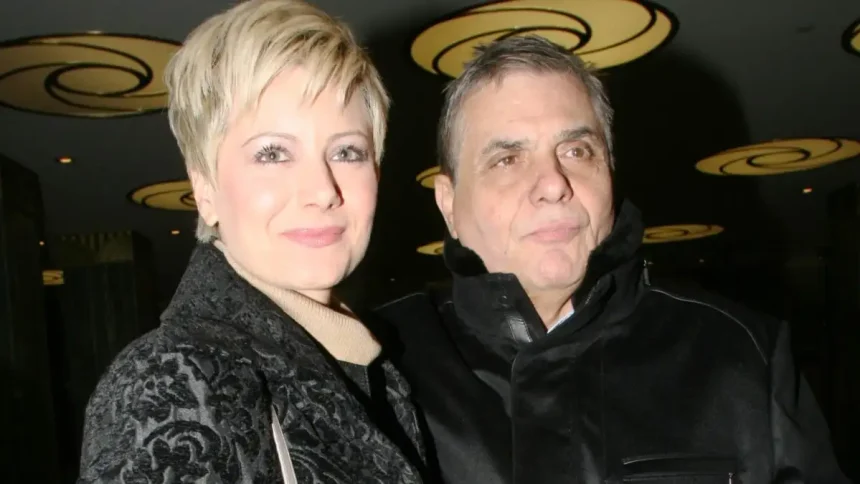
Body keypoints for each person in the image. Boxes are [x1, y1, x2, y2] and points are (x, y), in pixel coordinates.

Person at [375, 36, 849, 484]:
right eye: (508, 159)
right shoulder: (374, 363)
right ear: (449, 204)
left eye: (576, 151)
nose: (553, 183)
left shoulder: (741, 353)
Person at [77, 1, 425, 482]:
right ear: (205, 188)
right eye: (273, 153)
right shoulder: (173, 377)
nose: (322, 189)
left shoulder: (377, 368)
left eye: (347, 151)